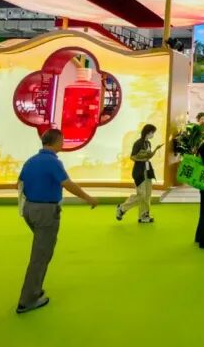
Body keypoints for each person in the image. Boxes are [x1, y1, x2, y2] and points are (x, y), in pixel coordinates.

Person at [15, 129, 98, 314]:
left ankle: (35, 288)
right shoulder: (53, 162)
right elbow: (67, 184)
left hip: (30, 209)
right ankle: (28, 300)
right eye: (62, 140)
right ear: (56, 141)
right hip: (46, 212)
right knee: (40, 256)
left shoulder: (31, 161)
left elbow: (18, 184)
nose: (63, 143)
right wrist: (88, 198)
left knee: (41, 250)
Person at [117, 124, 161, 224]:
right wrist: (141, 159)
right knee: (141, 195)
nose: (153, 135)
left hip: (148, 170)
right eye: (152, 133)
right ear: (148, 132)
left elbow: (148, 156)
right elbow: (132, 157)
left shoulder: (148, 143)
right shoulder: (138, 143)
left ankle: (144, 215)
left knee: (147, 194)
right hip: (139, 171)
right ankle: (122, 208)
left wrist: (155, 150)